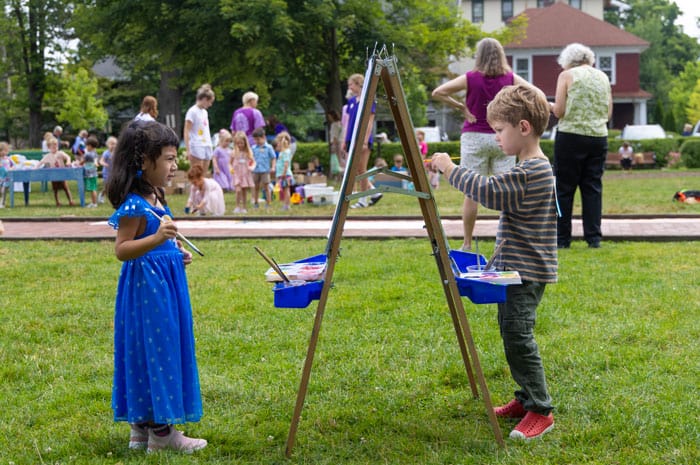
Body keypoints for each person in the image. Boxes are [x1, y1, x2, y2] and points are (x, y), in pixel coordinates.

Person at [431, 83, 557, 441]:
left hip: (528, 271)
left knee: (519, 337)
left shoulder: (531, 171)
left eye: (499, 130)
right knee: (509, 331)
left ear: (523, 127)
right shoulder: (527, 167)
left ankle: (540, 409)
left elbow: (487, 191)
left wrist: (449, 168)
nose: (495, 138)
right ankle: (524, 398)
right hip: (516, 268)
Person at [105, 120, 207, 453]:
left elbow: (157, 247)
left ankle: (143, 428)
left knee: (160, 347)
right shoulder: (135, 204)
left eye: (174, 157)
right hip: (148, 293)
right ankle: (161, 434)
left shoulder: (157, 196)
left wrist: (174, 255)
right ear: (143, 161)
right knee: (155, 349)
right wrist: (157, 238)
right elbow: (122, 249)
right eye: (166, 158)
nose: (173, 165)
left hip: (165, 284)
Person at [432, 37, 527, 251]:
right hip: (503, 137)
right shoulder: (510, 78)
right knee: (508, 193)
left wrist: (462, 107)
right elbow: (534, 93)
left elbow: (438, 92)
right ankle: (508, 242)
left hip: (474, 136)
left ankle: (466, 243)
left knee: (471, 192)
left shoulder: (470, 78)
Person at [550, 43, 612, 249]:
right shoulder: (602, 77)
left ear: (567, 60)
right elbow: (609, 112)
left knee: (564, 189)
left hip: (571, 136)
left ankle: (562, 239)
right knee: (592, 187)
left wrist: (547, 104)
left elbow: (559, 111)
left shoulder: (567, 76)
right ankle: (593, 238)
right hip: (598, 136)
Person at [342, 73, 383, 209]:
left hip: (362, 138)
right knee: (356, 169)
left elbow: (369, 122)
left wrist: (365, 140)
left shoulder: (368, 100)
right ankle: (374, 193)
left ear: (358, 84)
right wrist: (344, 139)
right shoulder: (352, 101)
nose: (349, 87)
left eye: (351, 84)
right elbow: (348, 123)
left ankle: (363, 200)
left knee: (362, 169)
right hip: (351, 138)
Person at [184, 83, 215, 172]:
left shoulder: (205, 112)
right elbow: (186, 131)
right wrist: (188, 150)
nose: (210, 104)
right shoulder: (192, 111)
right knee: (197, 175)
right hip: (196, 145)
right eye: (210, 102)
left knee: (204, 175)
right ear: (205, 99)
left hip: (207, 144)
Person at [37, 137, 75, 206]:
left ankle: (71, 200)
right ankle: (57, 202)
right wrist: (36, 168)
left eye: (56, 146)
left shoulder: (60, 153)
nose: (55, 148)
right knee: (55, 189)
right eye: (53, 147)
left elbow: (67, 157)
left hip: (62, 174)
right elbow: (41, 162)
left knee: (65, 187)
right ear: (49, 147)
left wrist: (68, 161)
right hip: (53, 174)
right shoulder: (48, 156)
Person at [231, 130, 256, 213]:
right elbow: (229, 163)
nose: (240, 145)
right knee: (238, 190)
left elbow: (253, 162)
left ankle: (244, 207)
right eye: (238, 143)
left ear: (245, 143)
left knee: (244, 191)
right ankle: (237, 206)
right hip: (237, 174)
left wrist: (252, 167)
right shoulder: (234, 152)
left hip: (245, 173)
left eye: (241, 143)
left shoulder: (248, 152)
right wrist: (230, 169)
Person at [251, 127, 276, 209]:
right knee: (256, 187)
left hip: (265, 170)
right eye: (255, 140)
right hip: (256, 170)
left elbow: (273, 158)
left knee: (266, 187)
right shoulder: (254, 148)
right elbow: (251, 158)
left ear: (263, 137)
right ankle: (255, 202)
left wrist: (273, 167)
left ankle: (268, 202)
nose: (257, 141)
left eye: (258, 139)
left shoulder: (268, 147)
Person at [275, 132, 294, 211]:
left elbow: (286, 164)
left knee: (286, 190)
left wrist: (283, 173)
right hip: (283, 175)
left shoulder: (286, 152)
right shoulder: (282, 152)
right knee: (285, 190)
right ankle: (285, 204)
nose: (277, 145)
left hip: (285, 175)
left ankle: (287, 205)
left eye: (278, 143)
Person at [98, 136, 117, 204]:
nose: (113, 146)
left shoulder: (116, 153)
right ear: (108, 145)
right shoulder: (106, 153)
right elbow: (101, 161)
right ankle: (102, 195)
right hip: (106, 173)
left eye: (115, 144)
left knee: (115, 186)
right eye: (111, 144)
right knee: (107, 187)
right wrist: (105, 164)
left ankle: (114, 199)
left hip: (114, 172)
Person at [83, 136, 100, 208]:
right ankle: (93, 202)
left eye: (86, 145)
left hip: (90, 175)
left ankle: (94, 203)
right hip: (93, 174)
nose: (86, 147)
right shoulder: (94, 152)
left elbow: (83, 161)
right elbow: (96, 160)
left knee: (92, 189)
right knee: (93, 188)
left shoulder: (88, 154)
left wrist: (77, 163)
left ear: (90, 146)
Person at [327, 110, 343, 181]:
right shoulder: (340, 124)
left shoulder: (334, 125)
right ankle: (339, 177)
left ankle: (337, 177)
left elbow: (334, 137)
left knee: (336, 161)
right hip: (341, 143)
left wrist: (333, 146)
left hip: (336, 144)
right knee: (340, 161)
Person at [0, 141, 14, 208]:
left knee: (4, 190)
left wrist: (11, 168)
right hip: (0, 177)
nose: (3, 152)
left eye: (5, 151)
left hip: (7, 178)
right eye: (1, 151)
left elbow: (12, 165)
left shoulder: (8, 159)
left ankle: (2, 203)